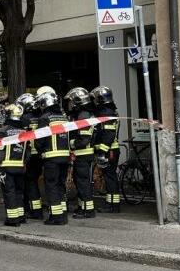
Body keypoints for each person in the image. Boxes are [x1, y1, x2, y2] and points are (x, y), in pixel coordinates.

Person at [33, 89, 71, 225]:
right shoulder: (63, 117)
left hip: (51, 158)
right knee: (61, 185)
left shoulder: (45, 118)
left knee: (51, 186)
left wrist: (38, 149)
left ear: (44, 103)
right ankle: (63, 213)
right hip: (65, 158)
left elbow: (40, 140)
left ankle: (56, 217)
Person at [0, 102, 29, 226]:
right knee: (19, 192)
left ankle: (12, 220)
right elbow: (28, 152)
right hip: (20, 167)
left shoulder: (4, 131)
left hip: (7, 167)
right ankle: (21, 216)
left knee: (9, 193)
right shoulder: (25, 132)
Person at [64, 87, 97, 219]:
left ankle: (88, 210)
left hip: (83, 154)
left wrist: (70, 143)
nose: (70, 105)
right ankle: (82, 207)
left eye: (72, 102)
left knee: (83, 182)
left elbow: (83, 140)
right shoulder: (82, 115)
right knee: (79, 182)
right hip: (82, 154)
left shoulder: (83, 116)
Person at [91, 85, 122, 212]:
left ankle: (113, 206)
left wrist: (102, 152)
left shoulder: (107, 113)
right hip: (110, 150)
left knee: (110, 177)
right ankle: (111, 204)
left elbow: (109, 135)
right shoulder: (109, 111)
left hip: (109, 151)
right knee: (110, 177)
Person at [16, 93, 44, 220]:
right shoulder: (41, 117)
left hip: (28, 155)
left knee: (29, 183)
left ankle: (35, 211)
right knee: (33, 181)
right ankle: (34, 208)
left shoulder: (24, 119)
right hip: (39, 154)